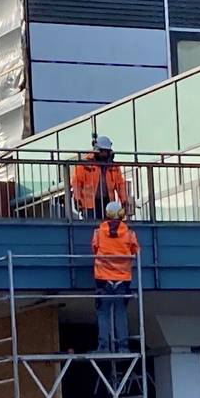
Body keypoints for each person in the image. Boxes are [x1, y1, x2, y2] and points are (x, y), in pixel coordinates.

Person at [91, 201, 139, 352]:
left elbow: (94, 248)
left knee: (103, 313)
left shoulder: (99, 233)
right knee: (120, 313)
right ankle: (123, 346)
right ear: (121, 214)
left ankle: (103, 346)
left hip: (103, 279)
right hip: (123, 279)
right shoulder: (129, 233)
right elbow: (135, 251)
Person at [72, 135, 129, 220]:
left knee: (108, 227)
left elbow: (120, 185)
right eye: (103, 151)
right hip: (89, 204)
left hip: (108, 202)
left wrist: (124, 200)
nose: (105, 154)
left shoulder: (113, 166)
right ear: (97, 151)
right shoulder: (84, 165)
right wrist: (77, 199)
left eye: (107, 152)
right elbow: (76, 183)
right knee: (91, 227)